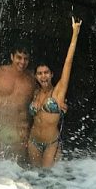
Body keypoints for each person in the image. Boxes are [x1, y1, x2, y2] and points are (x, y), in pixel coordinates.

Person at [27, 16, 82, 168]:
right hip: (32, 142)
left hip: (51, 144)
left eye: (46, 72)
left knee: (47, 180)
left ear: (51, 74)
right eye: (40, 73)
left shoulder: (58, 91)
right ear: (36, 76)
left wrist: (75, 34)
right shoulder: (35, 91)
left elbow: (68, 63)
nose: (43, 76)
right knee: (34, 179)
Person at [0, 45, 36, 164]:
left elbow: (42, 98)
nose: (22, 62)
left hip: (19, 136)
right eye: (19, 57)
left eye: (26, 59)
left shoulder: (32, 79)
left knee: (17, 175)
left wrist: (57, 103)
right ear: (12, 57)